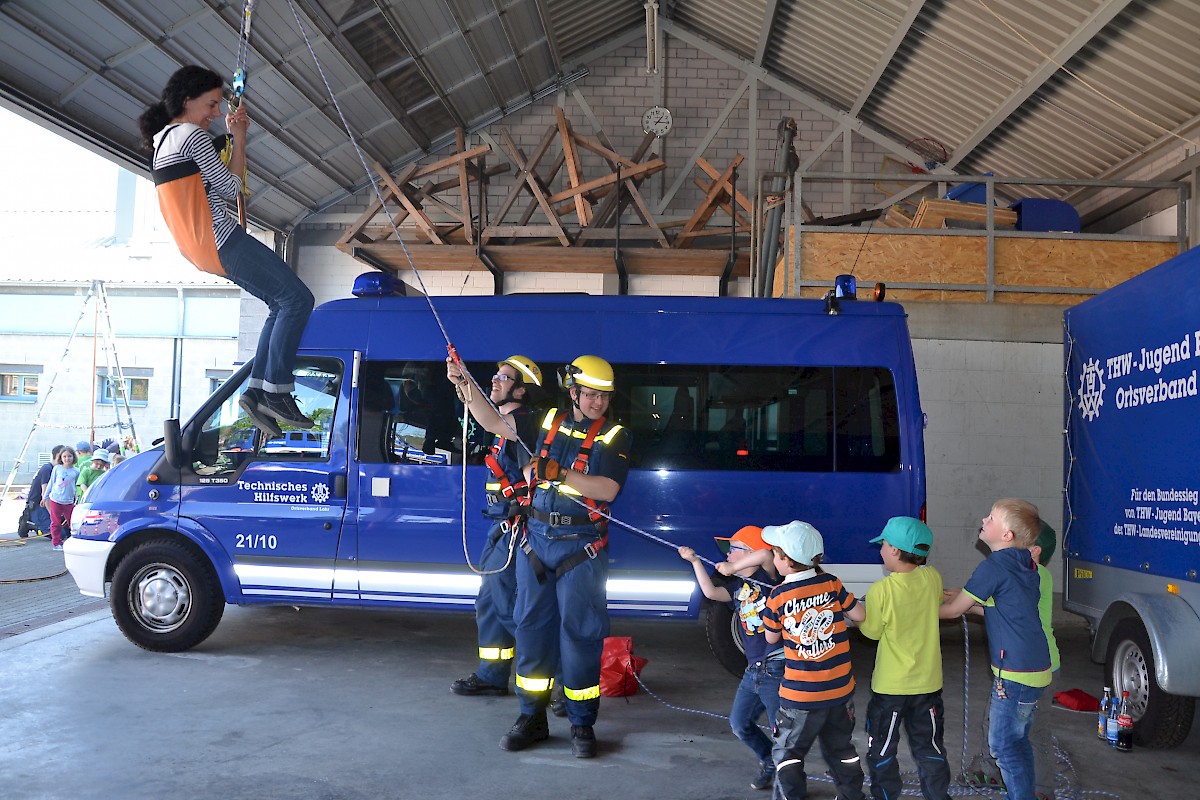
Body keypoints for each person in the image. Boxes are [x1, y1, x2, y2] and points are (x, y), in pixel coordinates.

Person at [138, 65, 315, 436]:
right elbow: (231, 186)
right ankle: (275, 391)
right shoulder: (189, 134)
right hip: (220, 238)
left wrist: (229, 138)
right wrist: (238, 136)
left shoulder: (163, 140)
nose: (216, 113)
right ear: (188, 102)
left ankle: (257, 391)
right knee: (298, 300)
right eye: (212, 105)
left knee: (281, 304)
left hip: (202, 247)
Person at [501, 355, 632, 759]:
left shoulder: (615, 435)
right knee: (531, 630)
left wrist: (560, 474)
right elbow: (493, 421)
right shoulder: (546, 420)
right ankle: (532, 718)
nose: (598, 403)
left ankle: (581, 723)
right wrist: (461, 385)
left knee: (581, 636)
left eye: (604, 396)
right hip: (534, 541)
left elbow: (608, 490)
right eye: (590, 394)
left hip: (582, 547)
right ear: (573, 392)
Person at [445, 355, 543, 698]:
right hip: (502, 528)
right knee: (488, 602)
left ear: (522, 390)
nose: (495, 381)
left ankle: (554, 679)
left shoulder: (523, 423)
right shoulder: (505, 421)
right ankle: (493, 673)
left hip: (518, 531)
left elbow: (484, 418)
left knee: (509, 605)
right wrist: (461, 382)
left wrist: (465, 380)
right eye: (496, 376)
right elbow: (481, 412)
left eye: (504, 377)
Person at [940, 499, 1051, 800]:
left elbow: (951, 613)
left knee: (1003, 745)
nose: (983, 518)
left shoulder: (993, 566)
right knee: (1018, 742)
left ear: (1007, 536)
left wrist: (920, 606)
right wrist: (965, 600)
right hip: (1036, 667)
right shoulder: (1025, 565)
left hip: (1015, 672)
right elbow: (1002, 609)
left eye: (991, 518)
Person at [760, 520, 866, 800]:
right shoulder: (831, 582)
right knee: (842, 750)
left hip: (801, 698)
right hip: (840, 692)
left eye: (774, 552)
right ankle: (852, 796)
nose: (772, 557)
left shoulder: (778, 596)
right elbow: (859, 616)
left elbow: (771, 639)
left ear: (786, 560)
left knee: (788, 754)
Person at [964, 520, 1060, 800]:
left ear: (1035, 549)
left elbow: (995, 605)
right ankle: (1013, 779)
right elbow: (999, 608)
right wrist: (965, 598)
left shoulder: (1027, 573)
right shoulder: (1035, 573)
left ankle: (1034, 788)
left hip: (1027, 666)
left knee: (1014, 731)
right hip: (1044, 663)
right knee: (1024, 730)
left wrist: (961, 602)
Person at [858, 516, 951, 800]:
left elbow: (872, 632)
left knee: (883, 748)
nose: (881, 550)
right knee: (930, 748)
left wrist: (857, 614)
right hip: (928, 685)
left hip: (891, 689)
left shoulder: (881, 591)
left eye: (884, 545)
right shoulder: (932, 577)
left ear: (896, 551)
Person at [682, 525, 781, 791]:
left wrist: (733, 567)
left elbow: (765, 554)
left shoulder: (769, 578)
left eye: (733, 549)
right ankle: (769, 760)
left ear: (747, 552)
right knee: (740, 724)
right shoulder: (739, 587)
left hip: (777, 668)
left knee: (781, 731)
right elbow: (711, 593)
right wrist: (694, 562)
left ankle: (790, 780)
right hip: (754, 670)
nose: (727, 554)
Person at [19, 444, 65, 538]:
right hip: (38, 506)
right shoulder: (47, 469)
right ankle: (30, 523)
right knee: (59, 534)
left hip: (53, 504)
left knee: (68, 531)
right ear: (57, 456)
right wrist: (53, 515)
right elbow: (45, 495)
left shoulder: (59, 471)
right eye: (64, 456)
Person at [42, 446, 80, 551]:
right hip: (56, 499)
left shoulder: (76, 471)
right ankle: (56, 543)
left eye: (69, 456)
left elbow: (76, 485)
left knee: (72, 522)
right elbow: (51, 483)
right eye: (64, 456)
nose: (67, 459)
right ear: (61, 458)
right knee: (56, 522)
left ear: (73, 457)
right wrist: (45, 497)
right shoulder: (57, 468)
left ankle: (75, 540)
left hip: (69, 501)